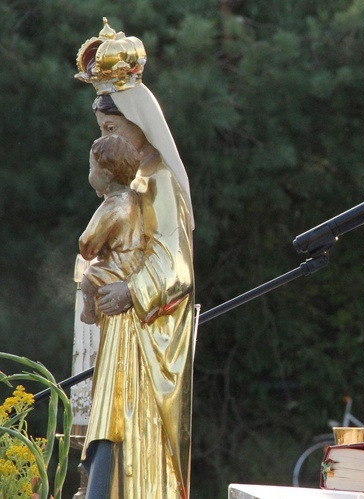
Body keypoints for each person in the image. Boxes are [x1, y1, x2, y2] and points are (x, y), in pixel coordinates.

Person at [75, 19, 196, 499]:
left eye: (111, 127)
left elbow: (176, 260)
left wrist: (131, 290)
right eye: (102, 128)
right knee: (108, 434)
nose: (107, 138)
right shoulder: (132, 183)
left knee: (136, 440)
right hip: (120, 333)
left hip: (149, 336)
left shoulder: (161, 180)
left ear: (137, 121)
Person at [79, 134, 145, 326]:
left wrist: (90, 250)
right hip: (135, 262)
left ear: (107, 176)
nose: (89, 172)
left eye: (92, 168)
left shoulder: (112, 207)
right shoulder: (133, 198)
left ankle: (88, 313)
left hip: (120, 266)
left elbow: (87, 244)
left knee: (87, 281)